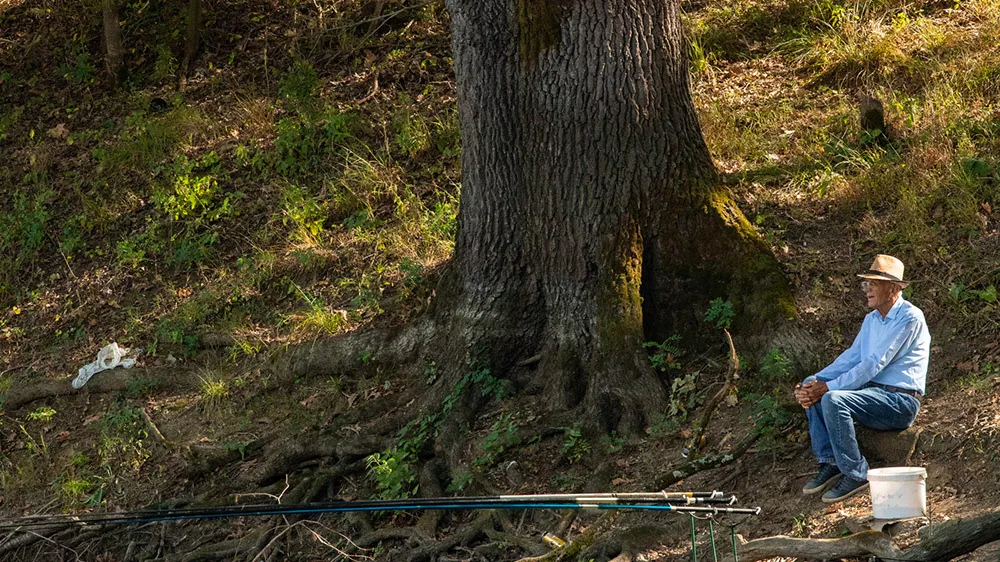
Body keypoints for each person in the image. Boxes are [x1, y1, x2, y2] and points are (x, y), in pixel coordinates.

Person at [796, 255, 930, 503]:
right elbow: (852, 357)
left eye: (873, 283)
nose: (866, 289)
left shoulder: (910, 317)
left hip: (899, 401)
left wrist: (828, 387)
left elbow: (873, 364)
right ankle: (830, 461)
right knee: (812, 381)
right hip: (872, 392)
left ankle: (856, 473)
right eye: (865, 283)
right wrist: (816, 382)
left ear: (893, 288)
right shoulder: (871, 319)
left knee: (834, 399)